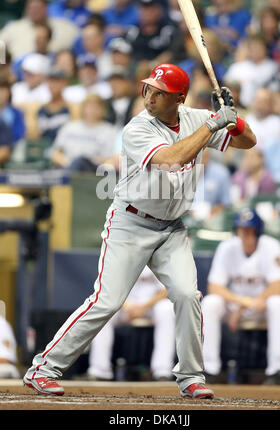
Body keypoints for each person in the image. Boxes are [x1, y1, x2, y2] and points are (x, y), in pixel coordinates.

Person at [23, 63, 256, 398]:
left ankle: (191, 376)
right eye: (148, 89)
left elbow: (249, 142)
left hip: (172, 229)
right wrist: (214, 124)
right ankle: (43, 368)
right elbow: (170, 159)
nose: (149, 97)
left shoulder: (195, 118)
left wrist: (234, 118)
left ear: (178, 99)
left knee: (188, 295)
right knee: (107, 301)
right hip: (130, 223)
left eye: (159, 93)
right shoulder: (137, 128)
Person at [201, 207, 280, 385]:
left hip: (261, 305)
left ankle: (278, 371)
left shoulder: (271, 245)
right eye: (241, 230)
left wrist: (245, 306)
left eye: (250, 231)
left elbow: (277, 285)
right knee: (211, 303)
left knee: (278, 303)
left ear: (258, 232)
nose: (245, 235)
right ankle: (210, 369)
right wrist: (242, 303)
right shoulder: (227, 246)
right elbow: (214, 286)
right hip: (236, 304)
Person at [87, 265, 176, 381]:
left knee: (167, 309)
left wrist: (143, 307)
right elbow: (108, 285)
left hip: (152, 305)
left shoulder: (160, 250)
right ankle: (99, 370)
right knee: (102, 310)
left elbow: (167, 289)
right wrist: (126, 305)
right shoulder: (119, 249)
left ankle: (162, 370)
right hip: (123, 304)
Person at [50, 94, 118, 172]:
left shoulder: (110, 130)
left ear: (103, 110)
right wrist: (66, 162)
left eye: (96, 107)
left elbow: (111, 159)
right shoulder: (69, 127)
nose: (92, 110)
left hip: (92, 170)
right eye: (89, 107)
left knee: (80, 161)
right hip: (67, 166)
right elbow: (56, 153)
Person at [0, 0, 80, 60]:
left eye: (38, 7)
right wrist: (3, 65)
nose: (34, 11)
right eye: (31, 8)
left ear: (47, 8)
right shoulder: (14, 27)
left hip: (53, 70)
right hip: (19, 69)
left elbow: (80, 42)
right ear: (26, 9)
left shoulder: (65, 26)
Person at [223, 35, 278, 108]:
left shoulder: (273, 67)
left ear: (265, 48)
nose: (256, 50)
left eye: (259, 47)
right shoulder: (237, 67)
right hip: (237, 107)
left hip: (262, 108)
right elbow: (226, 87)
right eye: (253, 48)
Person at [36, 67, 71, 143]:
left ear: (65, 83)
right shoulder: (41, 109)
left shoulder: (70, 109)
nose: (53, 85)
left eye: (56, 81)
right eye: (50, 81)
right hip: (43, 149)